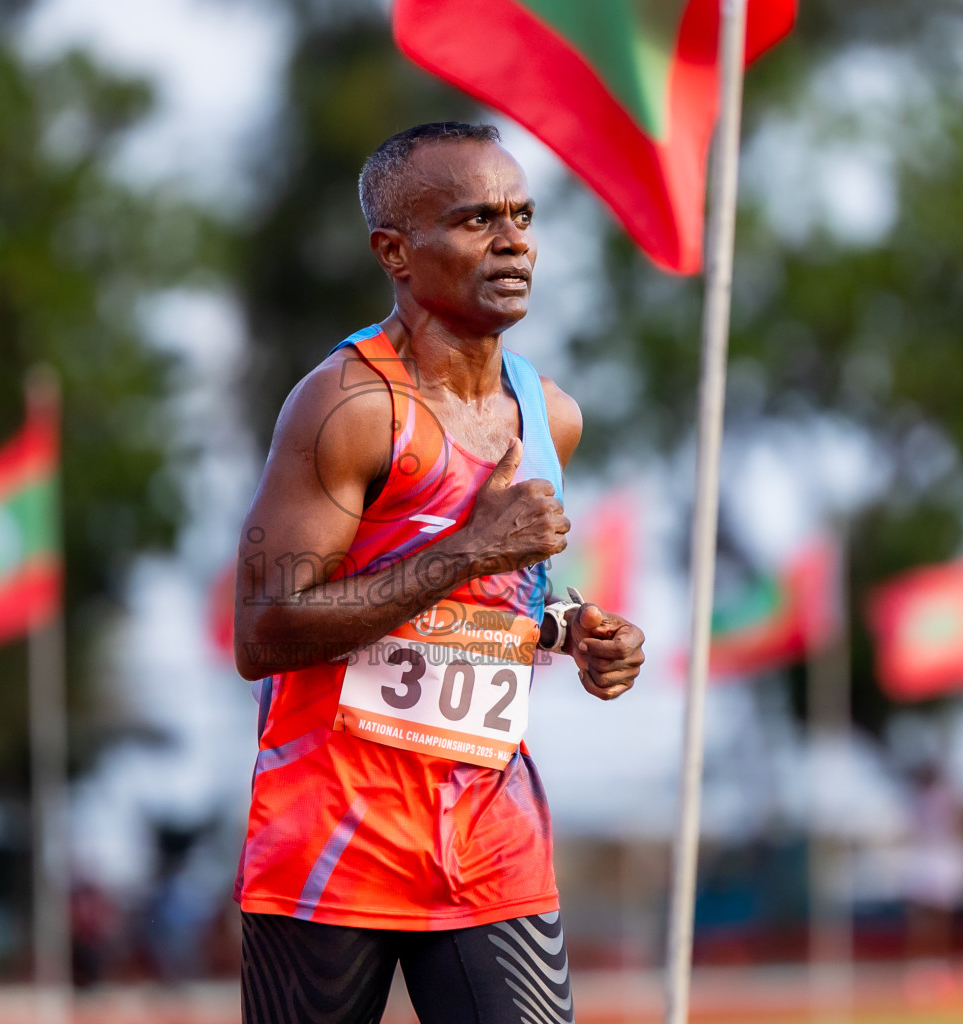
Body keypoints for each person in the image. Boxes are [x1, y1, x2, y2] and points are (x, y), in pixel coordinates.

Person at [232, 122, 647, 1024]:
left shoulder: (551, 416)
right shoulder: (346, 406)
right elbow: (263, 631)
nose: (512, 242)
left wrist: (575, 631)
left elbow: (503, 597)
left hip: (490, 836)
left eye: (522, 216)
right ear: (396, 252)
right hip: (337, 839)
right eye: (473, 221)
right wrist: (470, 548)